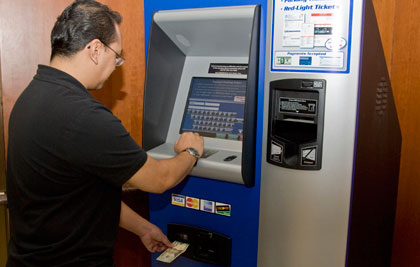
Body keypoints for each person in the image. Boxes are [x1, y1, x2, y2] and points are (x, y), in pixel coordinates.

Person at [5, 0, 204, 266]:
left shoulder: (32, 96)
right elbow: (160, 179)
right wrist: (191, 150)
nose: (115, 66)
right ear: (96, 49)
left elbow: (82, 193)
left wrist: (142, 228)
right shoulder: (83, 115)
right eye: (117, 56)